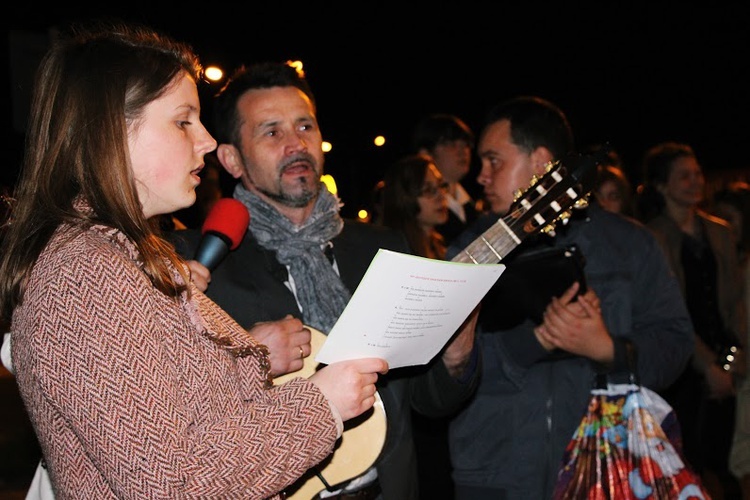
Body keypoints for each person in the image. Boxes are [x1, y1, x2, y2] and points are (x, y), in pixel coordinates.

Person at [0, 21, 391, 499]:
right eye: (183, 120)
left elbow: (192, 422)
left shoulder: (120, 256)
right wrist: (321, 404)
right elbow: (170, 484)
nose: (205, 141)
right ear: (110, 132)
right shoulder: (83, 274)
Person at [169, 61, 481, 499]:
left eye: (305, 126)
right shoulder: (191, 261)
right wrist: (243, 359)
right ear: (232, 159)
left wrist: (457, 351)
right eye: (272, 132)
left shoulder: (382, 247)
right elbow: (170, 427)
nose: (296, 144)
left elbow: (427, 401)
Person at [445, 96, 694, 499]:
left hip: (603, 473)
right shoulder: (470, 249)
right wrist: (533, 343)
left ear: (542, 164)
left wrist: (609, 350)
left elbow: (676, 342)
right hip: (495, 476)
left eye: (494, 161)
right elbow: (443, 372)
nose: (481, 177)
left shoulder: (632, 245)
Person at [637, 142, 747, 499]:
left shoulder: (719, 232)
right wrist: (707, 366)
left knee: (722, 457)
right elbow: (670, 311)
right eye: (683, 175)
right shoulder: (651, 237)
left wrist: (731, 361)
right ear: (661, 185)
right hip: (680, 366)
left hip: (722, 357)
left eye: (697, 173)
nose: (695, 181)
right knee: (687, 460)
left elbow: (734, 302)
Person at [411, 113, 484, 246]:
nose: (463, 151)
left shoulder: (476, 206)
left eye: (466, 144)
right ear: (425, 153)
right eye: (450, 143)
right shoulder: (418, 211)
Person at [381, 153, 449, 260]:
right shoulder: (398, 253)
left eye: (441, 186)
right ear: (405, 198)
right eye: (428, 190)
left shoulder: (438, 245)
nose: (441, 196)